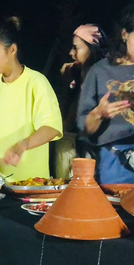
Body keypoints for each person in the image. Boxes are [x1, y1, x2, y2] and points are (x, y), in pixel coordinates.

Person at [77, 0, 134, 184]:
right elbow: (84, 127)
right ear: (125, 35)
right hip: (114, 159)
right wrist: (99, 113)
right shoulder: (101, 71)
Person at [0, 17, 63, 181]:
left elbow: (51, 127)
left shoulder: (36, 82)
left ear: (12, 50)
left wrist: (22, 145)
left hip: (29, 180)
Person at [54, 24, 105, 178]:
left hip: (95, 147)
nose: (71, 53)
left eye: (76, 48)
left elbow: (74, 111)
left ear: (92, 49)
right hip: (74, 141)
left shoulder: (101, 74)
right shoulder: (74, 72)